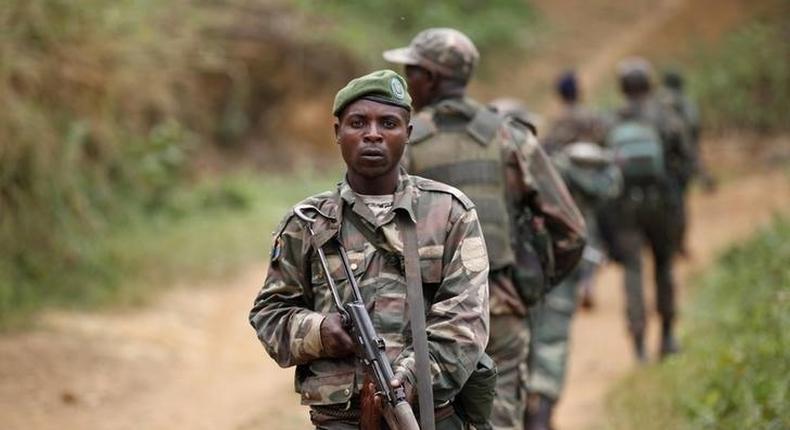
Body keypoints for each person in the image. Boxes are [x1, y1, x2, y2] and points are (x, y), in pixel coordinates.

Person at [249, 70, 490, 429]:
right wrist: (320, 331)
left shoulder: (449, 213)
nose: (372, 134)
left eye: (388, 123)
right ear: (337, 133)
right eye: (358, 123)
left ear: (408, 134)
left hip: (429, 415)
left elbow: (466, 321)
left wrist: (409, 379)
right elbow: (269, 314)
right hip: (341, 419)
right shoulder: (307, 223)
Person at [384, 29, 586, 430]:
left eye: (413, 70)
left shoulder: (402, 141)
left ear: (432, 77)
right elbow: (572, 231)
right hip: (500, 311)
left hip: (423, 320)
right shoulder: (509, 137)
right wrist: (527, 288)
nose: (408, 79)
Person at [493, 95, 622, 430]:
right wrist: (558, 275)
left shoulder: (472, 179)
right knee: (548, 349)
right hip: (543, 276)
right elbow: (573, 229)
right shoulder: (547, 166)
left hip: (495, 289)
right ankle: (541, 419)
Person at [601, 57, 692, 361]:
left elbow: (602, 166)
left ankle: (639, 345)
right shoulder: (666, 117)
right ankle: (666, 336)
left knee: (632, 271)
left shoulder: (612, 120)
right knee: (664, 267)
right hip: (662, 204)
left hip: (626, 207)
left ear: (622, 87)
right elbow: (686, 158)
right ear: (649, 84)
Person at [539, 70, 612, 308]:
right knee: (593, 230)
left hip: (567, 185)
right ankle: (589, 281)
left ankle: (573, 280)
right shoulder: (593, 116)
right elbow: (605, 145)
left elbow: (547, 150)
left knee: (572, 228)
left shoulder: (560, 120)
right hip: (592, 185)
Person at [660, 69, 716, 256]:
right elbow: (693, 134)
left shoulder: (656, 102)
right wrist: (701, 170)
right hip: (680, 164)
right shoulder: (686, 104)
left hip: (659, 166)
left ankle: (663, 242)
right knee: (679, 204)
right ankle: (679, 244)